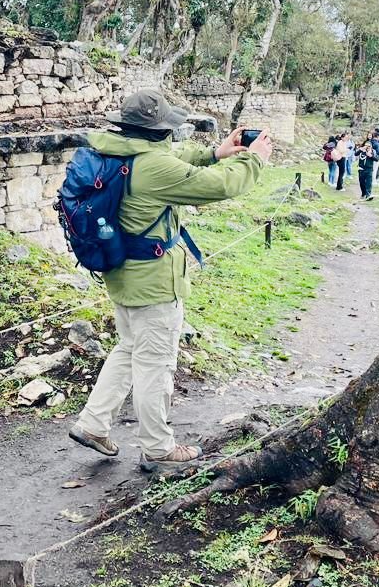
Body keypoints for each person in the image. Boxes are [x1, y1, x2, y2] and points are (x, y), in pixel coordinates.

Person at [68, 90, 272, 473]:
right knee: (156, 364)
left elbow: (174, 161)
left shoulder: (114, 151)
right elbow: (218, 187)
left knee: (129, 348)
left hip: (121, 272)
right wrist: (254, 161)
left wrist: (216, 152)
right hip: (155, 283)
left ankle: (93, 424)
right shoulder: (154, 168)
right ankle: (157, 447)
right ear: (158, 130)